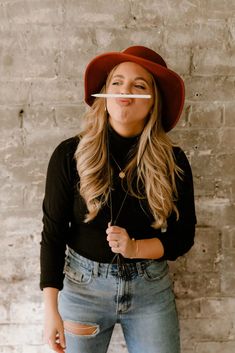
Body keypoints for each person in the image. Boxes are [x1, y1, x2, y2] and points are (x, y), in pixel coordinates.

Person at [40, 45, 196, 353]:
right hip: (83, 289)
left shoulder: (172, 160)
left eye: (139, 85)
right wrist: (50, 310)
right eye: (117, 82)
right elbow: (53, 233)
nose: (126, 90)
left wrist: (136, 247)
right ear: (104, 94)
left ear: (153, 102)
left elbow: (183, 236)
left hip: (150, 289)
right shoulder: (69, 155)